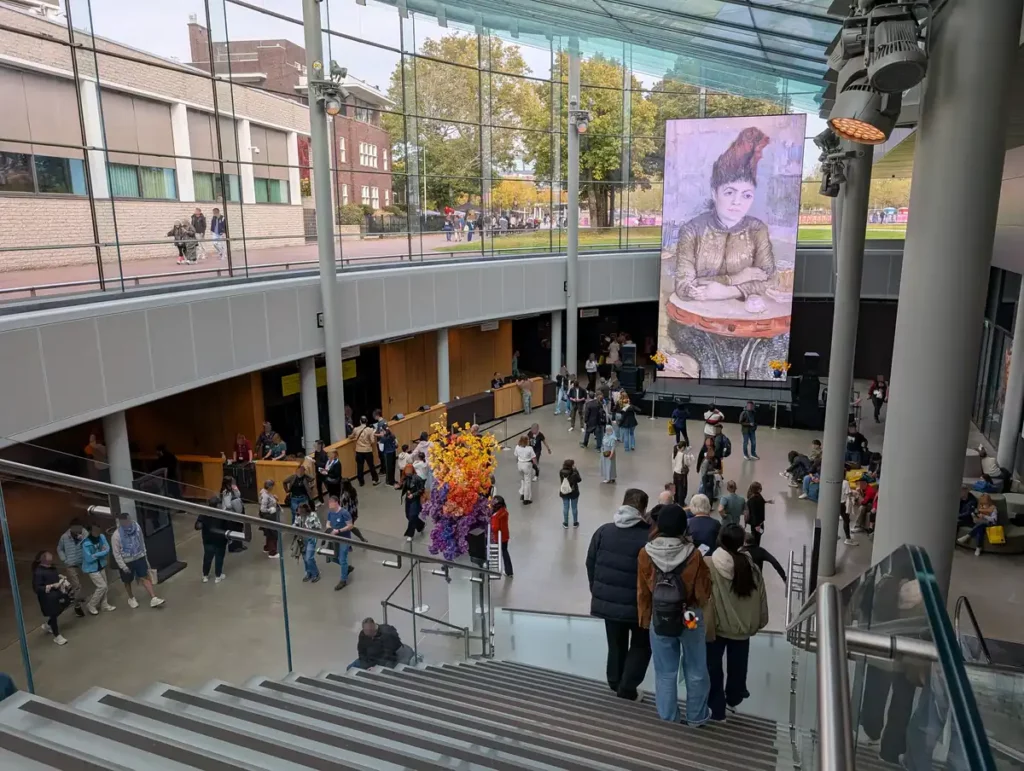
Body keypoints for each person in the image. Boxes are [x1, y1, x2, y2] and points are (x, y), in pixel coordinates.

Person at [667, 127, 783, 378]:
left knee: (762, 366)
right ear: (714, 192)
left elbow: (771, 278)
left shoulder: (756, 229)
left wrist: (729, 291)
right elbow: (684, 286)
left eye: (746, 195)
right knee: (708, 369)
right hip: (695, 326)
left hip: (751, 326)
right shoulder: (693, 229)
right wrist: (736, 278)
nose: (736, 202)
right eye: (729, 192)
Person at [637, 503, 712, 724]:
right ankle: (696, 717)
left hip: (660, 615)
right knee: (696, 667)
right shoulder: (694, 554)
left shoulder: (645, 553)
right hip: (688, 616)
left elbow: (642, 591)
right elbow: (703, 593)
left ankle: (668, 717)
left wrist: (645, 618)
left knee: (665, 670)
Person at [586, 488, 652, 701]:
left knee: (616, 643)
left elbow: (591, 562)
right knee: (641, 645)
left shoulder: (603, 531)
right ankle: (627, 687)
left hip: (609, 601)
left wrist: (597, 590)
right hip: (638, 605)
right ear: (643, 510)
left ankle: (614, 681)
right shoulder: (649, 536)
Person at [704, 523, 769, 722]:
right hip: (742, 628)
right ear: (742, 542)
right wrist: (760, 621)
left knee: (713, 668)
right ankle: (733, 699)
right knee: (738, 667)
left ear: (719, 540)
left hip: (715, 627)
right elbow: (761, 597)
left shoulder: (708, 564)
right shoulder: (751, 567)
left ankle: (717, 709)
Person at [111, 512, 164, 608]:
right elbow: (116, 553)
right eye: (126, 522)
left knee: (144, 577)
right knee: (127, 581)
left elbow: (141, 541)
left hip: (139, 557)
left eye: (129, 520)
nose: (128, 523)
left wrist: (145, 555)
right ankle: (131, 598)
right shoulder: (116, 536)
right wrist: (123, 566)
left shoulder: (137, 528)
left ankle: (153, 598)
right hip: (126, 561)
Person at [32, 551, 71, 645]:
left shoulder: (52, 567)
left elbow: (53, 576)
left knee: (66, 603)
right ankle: (57, 635)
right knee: (53, 614)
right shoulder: (38, 572)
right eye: (49, 556)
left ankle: (48, 624)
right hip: (47, 598)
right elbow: (37, 588)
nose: (52, 556)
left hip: (57, 594)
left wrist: (60, 577)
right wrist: (52, 586)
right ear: (44, 560)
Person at [350, 618, 414, 670]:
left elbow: (388, 655)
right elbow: (361, 651)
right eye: (365, 631)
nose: (367, 634)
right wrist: (365, 665)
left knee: (383, 674)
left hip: (387, 659)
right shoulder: (363, 634)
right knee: (350, 668)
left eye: (369, 631)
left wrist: (377, 667)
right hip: (370, 659)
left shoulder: (387, 633)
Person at [56, 519, 87, 618]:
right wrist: (64, 559)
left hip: (83, 562)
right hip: (71, 564)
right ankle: (77, 606)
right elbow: (59, 549)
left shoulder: (85, 534)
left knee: (82, 583)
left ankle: (77, 597)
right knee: (77, 585)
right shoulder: (65, 537)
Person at [80, 523, 114, 615]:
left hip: (101, 565)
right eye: (95, 530)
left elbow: (107, 549)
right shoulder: (86, 543)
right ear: (90, 531)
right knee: (101, 586)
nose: (98, 532)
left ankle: (104, 605)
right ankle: (91, 604)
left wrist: (96, 554)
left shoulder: (102, 537)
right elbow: (89, 558)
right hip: (92, 569)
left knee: (105, 586)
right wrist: (101, 552)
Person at [196, 503, 229, 584]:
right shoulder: (221, 514)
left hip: (208, 540)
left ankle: (205, 576)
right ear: (217, 505)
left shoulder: (204, 513)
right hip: (219, 540)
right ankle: (218, 576)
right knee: (219, 558)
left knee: (207, 558)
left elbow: (197, 526)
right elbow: (227, 527)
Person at [326, 496, 354, 590]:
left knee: (342, 559)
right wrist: (330, 529)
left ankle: (343, 580)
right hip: (335, 538)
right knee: (333, 558)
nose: (329, 504)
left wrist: (338, 531)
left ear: (336, 502)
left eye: (331, 502)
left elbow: (350, 526)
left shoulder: (344, 513)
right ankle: (346, 568)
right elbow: (328, 523)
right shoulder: (330, 512)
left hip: (344, 539)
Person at [295, 503, 321, 583]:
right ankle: (308, 573)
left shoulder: (313, 515)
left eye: (300, 511)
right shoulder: (298, 517)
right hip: (302, 539)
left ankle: (316, 573)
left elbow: (319, 526)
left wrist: (309, 529)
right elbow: (295, 525)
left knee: (309, 558)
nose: (299, 513)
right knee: (304, 557)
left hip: (311, 538)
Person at [352, 416, 380, 487]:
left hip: (358, 451)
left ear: (360, 421)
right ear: (366, 421)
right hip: (367, 450)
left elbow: (351, 436)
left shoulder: (356, 429)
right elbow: (373, 441)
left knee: (359, 466)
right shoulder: (370, 430)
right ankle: (375, 479)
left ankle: (361, 482)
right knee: (371, 466)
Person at [400, 464, 426, 540]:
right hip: (408, 499)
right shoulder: (405, 478)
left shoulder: (417, 478)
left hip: (415, 500)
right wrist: (399, 487)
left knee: (412, 516)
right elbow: (404, 487)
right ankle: (420, 525)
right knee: (408, 515)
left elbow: (421, 489)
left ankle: (410, 534)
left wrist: (414, 495)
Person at [490, 495, 513, 576]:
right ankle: (509, 571)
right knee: (505, 551)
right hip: (505, 536)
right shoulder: (504, 512)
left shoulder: (496, 516)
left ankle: (507, 571)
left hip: (498, 538)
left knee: (499, 552)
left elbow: (495, 528)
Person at [258, 479, 281, 558]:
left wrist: (274, 498)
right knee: (273, 533)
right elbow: (263, 508)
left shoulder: (266, 493)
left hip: (267, 516)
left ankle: (267, 547)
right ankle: (272, 552)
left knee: (268, 532)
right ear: (270, 486)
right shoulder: (265, 495)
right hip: (269, 516)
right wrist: (270, 510)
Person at [558, 459, 582, 529]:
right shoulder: (574, 473)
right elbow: (579, 480)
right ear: (572, 465)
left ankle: (566, 523)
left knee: (566, 507)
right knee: (574, 507)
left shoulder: (561, 472)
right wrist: (576, 470)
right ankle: (575, 523)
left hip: (564, 492)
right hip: (574, 492)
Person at [514, 435, 537, 505]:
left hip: (519, 465)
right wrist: (536, 465)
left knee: (522, 480)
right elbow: (534, 458)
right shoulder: (529, 448)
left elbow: (516, 455)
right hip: (527, 465)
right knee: (527, 482)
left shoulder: (517, 447)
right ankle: (527, 499)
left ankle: (522, 493)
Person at [745, 482, 769, 547]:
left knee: (755, 535)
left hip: (755, 522)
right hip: (758, 522)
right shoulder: (756, 498)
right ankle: (755, 547)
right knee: (757, 536)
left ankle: (754, 546)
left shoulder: (752, 499)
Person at [376, 421, 398, 487]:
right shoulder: (392, 435)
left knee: (388, 468)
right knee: (393, 466)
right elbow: (396, 443)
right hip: (393, 452)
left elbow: (381, 449)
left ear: (383, 430)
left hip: (387, 454)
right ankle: (393, 479)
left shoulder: (383, 439)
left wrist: (379, 443)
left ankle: (388, 481)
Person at [672, 441, 689, 506]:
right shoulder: (683, 455)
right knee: (682, 488)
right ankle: (681, 502)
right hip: (681, 474)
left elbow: (673, 463)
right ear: (683, 447)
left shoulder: (674, 453)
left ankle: (676, 500)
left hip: (675, 472)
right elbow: (687, 463)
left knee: (676, 487)